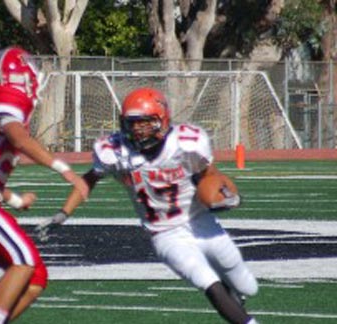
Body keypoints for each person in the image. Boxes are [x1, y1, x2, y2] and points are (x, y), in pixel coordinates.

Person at [36, 87, 259, 324]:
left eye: (145, 122)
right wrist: (63, 213)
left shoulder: (186, 143)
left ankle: (234, 293)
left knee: (247, 285)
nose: (138, 129)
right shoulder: (116, 151)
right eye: (133, 123)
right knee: (207, 281)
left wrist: (225, 194)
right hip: (164, 233)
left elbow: (210, 175)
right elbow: (89, 179)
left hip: (200, 220)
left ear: (162, 119)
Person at [0, 46, 89, 324]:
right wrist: (65, 170)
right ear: (23, 75)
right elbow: (19, 139)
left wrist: (14, 200)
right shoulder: (4, 96)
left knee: (35, 277)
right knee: (22, 262)